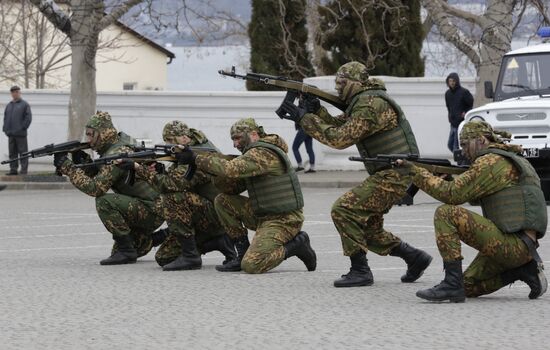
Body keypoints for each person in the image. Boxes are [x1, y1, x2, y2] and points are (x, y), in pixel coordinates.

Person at [278, 61, 432, 287]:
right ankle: (415, 258)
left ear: (357, 83)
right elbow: (339, 125)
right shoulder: (363, 102)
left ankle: (360, 270)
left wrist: (305, 119)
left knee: (344, 210)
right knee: (368, 229)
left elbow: (339, 138)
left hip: (394, 173)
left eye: (342, 83)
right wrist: (317, 110)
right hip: (389, 173)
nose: (338, 87)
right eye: (337, 83)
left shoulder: (370, 105)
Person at [397, 120, 547, 302]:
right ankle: (522, 271)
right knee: (466, 286)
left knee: (446, 213)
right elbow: (474, 196)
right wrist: (449, 180)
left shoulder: (490, 162)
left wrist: (415, 172)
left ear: (482, 140)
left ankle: (451, 284)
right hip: (521, 247)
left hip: (512, 246)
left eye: (466, 145)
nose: (464, 151)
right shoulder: (509, 158)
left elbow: (451, 195)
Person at [175, 118, 317, 274]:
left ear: (254, 135)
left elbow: (230, 168)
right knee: (222, 201)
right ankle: (241, 253)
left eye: (238, 138)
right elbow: (232, 189)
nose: (235, 144)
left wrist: (196, 158)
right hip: (263, 215)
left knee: (252, 265)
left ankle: (297, 245)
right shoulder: (252, 156)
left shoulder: (263, 153)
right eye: (233, 140)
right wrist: (211, 171)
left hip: (284, 220)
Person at [54, 111, 164, 265]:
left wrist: (68, 168)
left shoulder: (117, 153)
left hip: (152, 209)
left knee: (104, 201)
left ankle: (127, 252)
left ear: (103, 134)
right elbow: (101, 172)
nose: (89, 140)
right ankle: (160, 237)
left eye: (92, 135)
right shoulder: (117, 145)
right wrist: (81, 159)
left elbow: (96, 188)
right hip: (149, 206)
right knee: (124, 249)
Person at [127, 120, 236, 271]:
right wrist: (159, 171)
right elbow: (178, 179)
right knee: (164, 257)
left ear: (184, 138)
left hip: (217, 216)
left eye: (172, 141)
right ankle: (218, 241)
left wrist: (140, 170)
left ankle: (191, 256)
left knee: (172, 199)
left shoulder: (199, 155)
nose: (169, 145)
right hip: (205, 214)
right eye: (167, 141)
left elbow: (172, 185)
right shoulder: (188, 152)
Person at [3, 86, 32, 175]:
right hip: (10, 134)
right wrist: (5, 129)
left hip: (20, 134)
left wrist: (22, 128)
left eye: (17, 92)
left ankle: (24, 170)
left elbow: (28, 118)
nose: (15, 93)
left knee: (23, 153)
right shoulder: (9, 105)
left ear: (19, 93)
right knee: (12, 153)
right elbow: (5, 118)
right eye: (13, 92)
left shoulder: (24, 104)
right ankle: (13, 170)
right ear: (11, 94)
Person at [445, 73, 473, 154]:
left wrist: (466, 112)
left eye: (453, 81)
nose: (452, 83)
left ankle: (459, 164)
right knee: (450, 145)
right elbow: (448, 107)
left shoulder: (464, 92)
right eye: (450, 81)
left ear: (457, 81)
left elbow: (470, 104)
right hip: (453, 124)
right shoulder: (447, 94)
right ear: (448, 82)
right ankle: (461, 157)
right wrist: (450, 117)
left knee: (456, 147)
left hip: (461, 123)